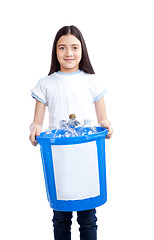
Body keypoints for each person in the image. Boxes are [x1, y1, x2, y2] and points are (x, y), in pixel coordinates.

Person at [29, 25, 113, 240]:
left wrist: (107, 125)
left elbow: (101, 117)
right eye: (62, 48)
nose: (69, 53)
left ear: (82, 50)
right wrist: (35, 130)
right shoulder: (46, 84)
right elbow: (37, 122)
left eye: (74, 47)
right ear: (55, 51)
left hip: (87, 156)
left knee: (88, 217)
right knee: (61, 217)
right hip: (60, 160)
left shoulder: (92, 81)